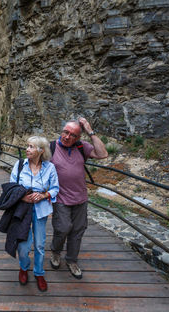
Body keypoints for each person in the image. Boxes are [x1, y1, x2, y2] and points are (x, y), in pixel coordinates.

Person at [49, 117, 108, 279]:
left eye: (73, 135)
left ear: (78, 138)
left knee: (77, 231)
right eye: (65, 132)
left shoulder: (82, 147)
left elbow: (103, 154)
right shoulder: (51, 148)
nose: (67, 137)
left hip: (80, 199)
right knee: (62, 228)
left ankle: (72, 260)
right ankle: (55, 251)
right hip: (60, 198)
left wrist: (90, 131)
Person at [8, 136, 59, 292]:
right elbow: (11, 187)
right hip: (22, 209)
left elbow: (55, 188)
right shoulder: (19, 165)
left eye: (31, 146)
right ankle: (24, 267)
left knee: (39, 244)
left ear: (41, 151)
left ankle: (39, 273)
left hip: (41, 209)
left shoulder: (50, 167)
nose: (27, 149)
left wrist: (43, 195)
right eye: (27, 146)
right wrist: (23, 196)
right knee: (23, 245)